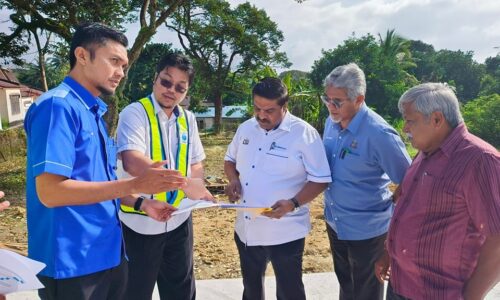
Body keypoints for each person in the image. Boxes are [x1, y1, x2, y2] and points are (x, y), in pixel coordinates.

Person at [24, 23, 188, 300]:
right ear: (82, 55)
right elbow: (51, 192)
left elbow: (98, 183)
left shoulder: (92, 112)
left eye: (124, 65)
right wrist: (136, 183)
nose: (121, 73)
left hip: (108, 253)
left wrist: (141, 201)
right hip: (72, 262)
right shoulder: (58, 107)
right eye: (113, 61)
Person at [375, 83, 500, 299]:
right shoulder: (425, 151)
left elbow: (497, 239)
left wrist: (471, 297)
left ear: (436, 120)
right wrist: (389, 254)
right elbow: (406, 207)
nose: (404, 128)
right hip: (400, 283)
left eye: (410, 120)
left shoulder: (480, 161)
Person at [224, 77, 331, 300]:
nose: (262, 115)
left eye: (269, 110)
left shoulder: (303, 133)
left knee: (289, 292)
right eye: (257, 108)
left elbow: (321, 179)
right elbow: (229, 160)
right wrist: (233, 179)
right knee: (251, 290)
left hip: (285, 232)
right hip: (247, 229)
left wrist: (292, 204)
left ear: (284, 106)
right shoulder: (246, 129)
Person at [116, 52, 213, 300]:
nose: (171, 91)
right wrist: (183, 183)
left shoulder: (188, 119)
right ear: (155, 79)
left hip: (179, 220)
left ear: (187, 90)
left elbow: (195, 162)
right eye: (166, 82)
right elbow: (132, 160)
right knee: (135, 291)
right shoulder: (135, 113)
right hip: (140, 222)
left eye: (180, 87)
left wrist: (197, 188)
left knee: (180, 289)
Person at [322, 63, 411, 300]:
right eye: (327, 99)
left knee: (366, 292)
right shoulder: (331, 123)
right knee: (347, 285)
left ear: (359, 99)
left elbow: (410, 180)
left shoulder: (379, 134)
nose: (331, 106)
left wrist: (391, 208)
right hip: (336, 223)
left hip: (367, 230)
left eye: (337, 101)